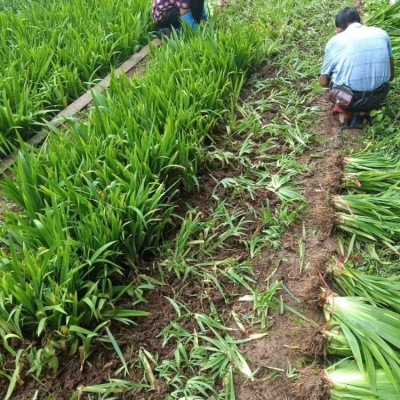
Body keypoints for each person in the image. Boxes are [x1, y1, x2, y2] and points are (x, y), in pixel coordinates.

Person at [320, 7, 394, 113]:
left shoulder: (335, 41)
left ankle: (346, 109)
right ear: (360, 21)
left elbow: (323, 82)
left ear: (339, 29)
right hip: (379, 96)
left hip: (349, 101)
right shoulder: (382, 34)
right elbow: (391, 76)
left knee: (332, 74)